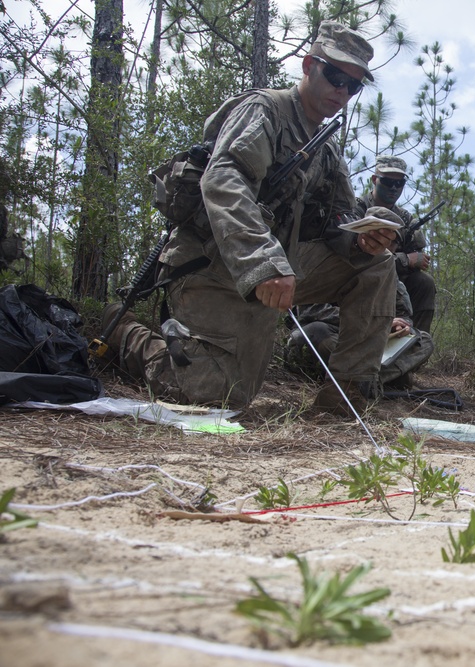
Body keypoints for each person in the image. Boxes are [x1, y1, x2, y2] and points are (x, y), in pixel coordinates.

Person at [102, 21, 398, 413]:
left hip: (276, 267)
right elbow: (224, 181)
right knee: (219, 396)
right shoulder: (264, 110)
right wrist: (263, 263)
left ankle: (344, 399)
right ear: (309, 66)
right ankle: (127, 334)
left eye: (354, 85)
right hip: (212, 263)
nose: (342, 91)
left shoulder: (325, 151)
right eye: (335, 75)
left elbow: (333, 225)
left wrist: (361, 240)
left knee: (375, 265)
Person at [285, 207, 433, 390]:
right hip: (333, 334)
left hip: (373, 344)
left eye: (391, 240)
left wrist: (399, 326)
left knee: (423, 341)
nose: (383, 245)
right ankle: (371, 378)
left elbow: (405, 317)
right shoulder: (334, 261)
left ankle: (368, 379)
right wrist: (365, 321)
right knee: (310, 334)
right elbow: (310, 310)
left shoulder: (394, 281)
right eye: (376, 235)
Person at [354, 155, 436, 333]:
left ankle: (415, 343)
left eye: (399, 184)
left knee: (424, 283)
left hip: (394, 281)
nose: (393, 188)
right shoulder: (357, 210)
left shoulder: (405, 218)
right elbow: (359, 258)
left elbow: (418, 260)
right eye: (387, 182)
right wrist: (406, 260)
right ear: (375, 180)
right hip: (358, 278)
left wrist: (411, 260)